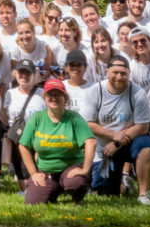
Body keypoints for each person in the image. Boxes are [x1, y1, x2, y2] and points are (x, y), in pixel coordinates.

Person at [82, 56, 150, 203]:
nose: (119, 77)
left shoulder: (137, 93)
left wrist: (117, 142)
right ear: (107, 71)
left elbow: (143, 126)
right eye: (115, 72)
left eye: (124, 74)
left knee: (146, 146)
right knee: (106, 193)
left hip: (129, 142)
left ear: (129, 74)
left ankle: (144, 195)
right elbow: (88, 124)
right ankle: (124, 186)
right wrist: (113, 135)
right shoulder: (95, 91)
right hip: (104, 149)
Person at [18, 77, 96, 205]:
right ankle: (54, 190)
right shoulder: (37, 118)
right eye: (50, 94)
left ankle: (77, 197)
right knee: (32, 203)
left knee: (75, 183)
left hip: (71, 168)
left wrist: (85, 170)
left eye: (58, 94)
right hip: (46, 171)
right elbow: (23, 145)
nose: (54, 98)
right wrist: (33, 173)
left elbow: (91, 142)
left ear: (65, 98)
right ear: (45, 97)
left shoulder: (74, 118)